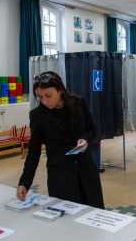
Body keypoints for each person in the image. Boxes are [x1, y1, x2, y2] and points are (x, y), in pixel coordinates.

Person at [17, 71, 104, 209]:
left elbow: (92, 129)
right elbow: (34, 151)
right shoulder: (38, 116)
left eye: (48, 96)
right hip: (61, 177)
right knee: (66, 221)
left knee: (94, 214)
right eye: (40, 97)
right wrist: (25, 182)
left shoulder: (79, 103)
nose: (45, 101)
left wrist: (84, 139)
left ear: (60, 90)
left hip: (86, 172)